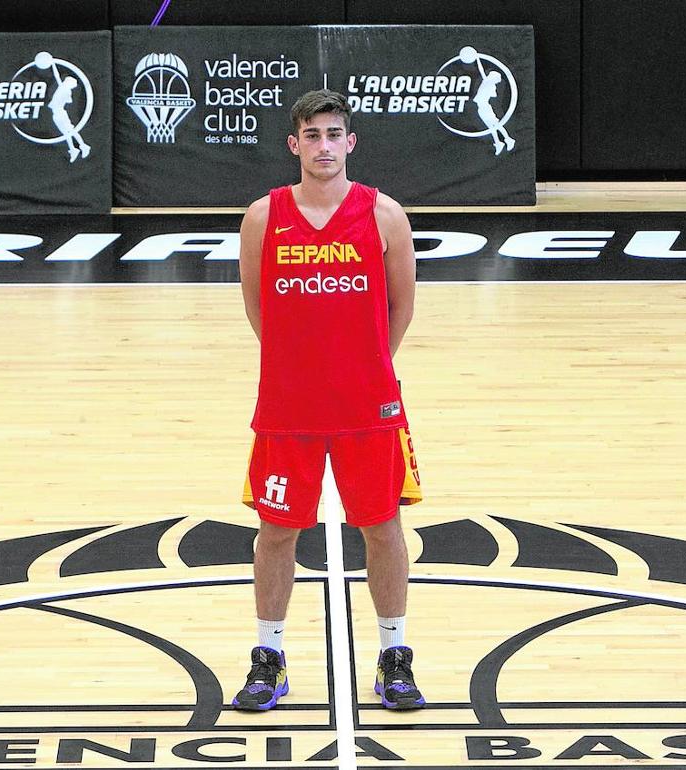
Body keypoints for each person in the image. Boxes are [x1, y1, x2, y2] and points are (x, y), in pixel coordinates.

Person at [232, 89, 424, 711]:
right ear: (294, 145)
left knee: (382, 527)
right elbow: (258, 307)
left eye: (333, 134)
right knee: (277, 532)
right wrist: (301, 364)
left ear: (351, 141)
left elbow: (401, 307)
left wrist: (362, 363)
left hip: (368, 405)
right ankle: (270, 656)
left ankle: (394, 654)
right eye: (311, 135)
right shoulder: (264, 216)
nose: (323, 145)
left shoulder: (384, 214)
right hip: (288, 407)